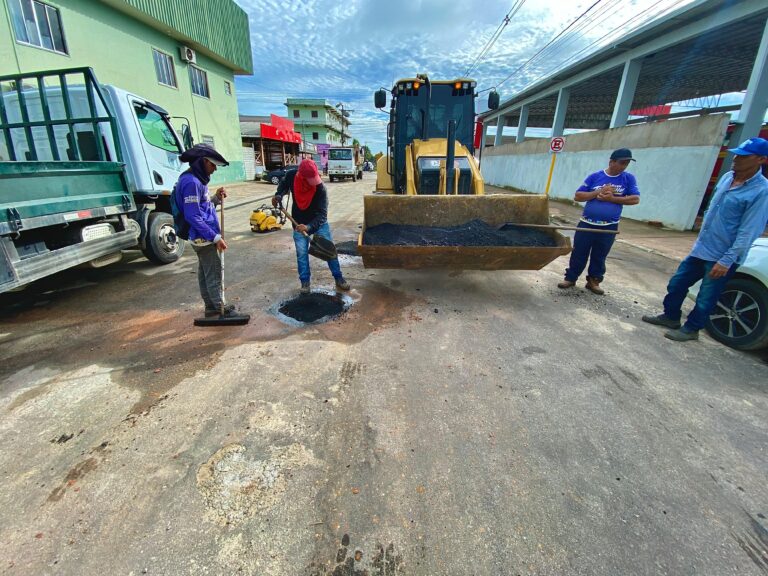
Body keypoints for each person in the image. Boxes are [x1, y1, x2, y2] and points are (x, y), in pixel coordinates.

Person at [642, 137, 768, 342]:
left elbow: (749, 231)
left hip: (722, 256)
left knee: (706, 297)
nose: (736, 158)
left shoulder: (762, 191)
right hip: (702, 248)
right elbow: (712, 210)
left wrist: (726, 260)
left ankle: (692, 329)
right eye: (737, 154)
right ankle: (671, 317)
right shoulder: (728, 177)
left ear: (761, 159)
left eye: (744, 156)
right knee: (677, 284)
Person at [557, 148, 640, 295]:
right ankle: (571, 278)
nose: (624, 166)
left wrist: (612, 198)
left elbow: (635, 199)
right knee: (579, 252)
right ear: (611, 162)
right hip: (587, 223)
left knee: (600, 255)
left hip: (609, 226)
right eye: (621, 162)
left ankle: (593, 281)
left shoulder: (628, 179)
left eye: (626, 163)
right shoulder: (595, 177)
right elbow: (578, 196)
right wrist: (598, 192)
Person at [175, 143, 238, 318]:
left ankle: (211, 306)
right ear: (202, 162)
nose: (214, 170)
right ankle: (220, 307)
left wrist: (216, 198)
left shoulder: (196, 180)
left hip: (202, 234)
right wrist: (215, 237)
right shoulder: (191, 183)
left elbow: (203, 207)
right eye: (212, 165)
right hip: (203, 236)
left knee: (205, 272)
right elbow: (193, 216)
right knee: (214, 272)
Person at [272, 159, 350, 294]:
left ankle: (339, 278)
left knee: (329, 250)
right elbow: (283, 185)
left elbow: (322, 215)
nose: (314, 182)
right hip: (298, 223)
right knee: (301, 254)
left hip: (318, 224)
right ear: (301, 176)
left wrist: (308, 227)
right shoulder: (291, 176)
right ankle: (305, 282)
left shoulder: (320, 188)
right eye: (310, 179)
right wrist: (278, 195)